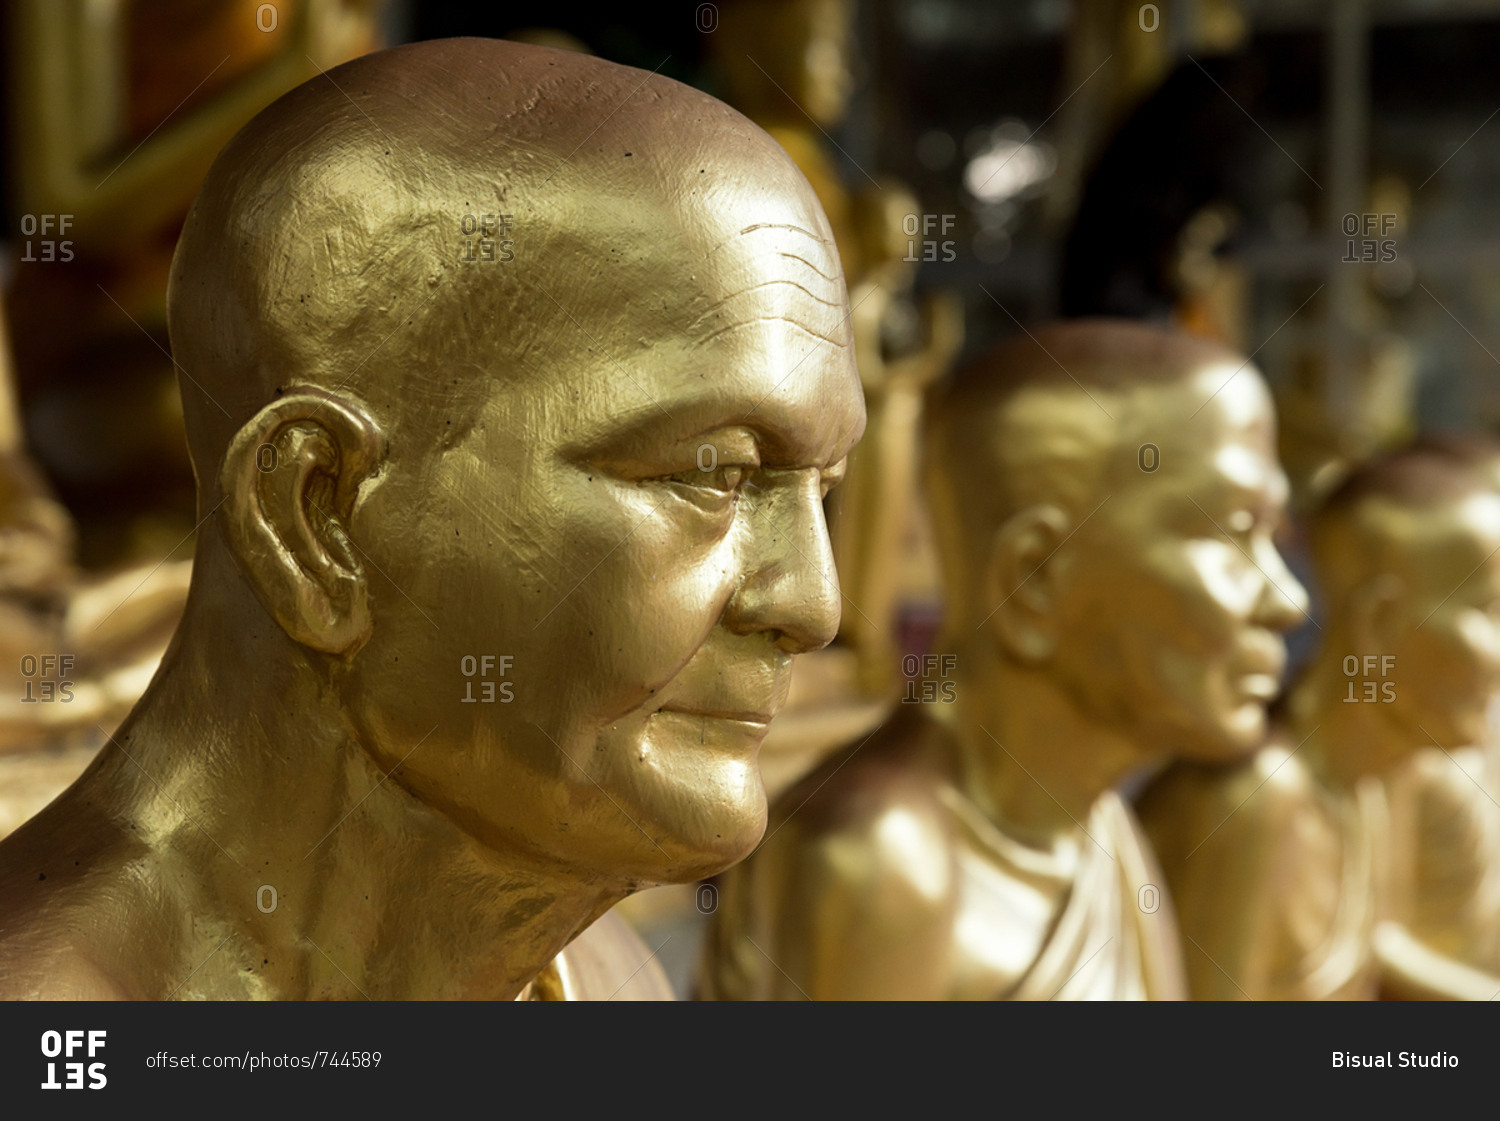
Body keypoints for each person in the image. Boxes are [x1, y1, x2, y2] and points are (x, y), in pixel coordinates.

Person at [0, 37, 864, 1000]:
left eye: (823, 486)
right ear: (313, 520)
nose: (814, 604)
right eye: (717, 475)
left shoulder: (606, 982)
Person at [702, 320, 1305, 998]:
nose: (1288, 600)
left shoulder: (1099, 831)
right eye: (1233, 533)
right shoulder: (886, 859)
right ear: (1034, 580)